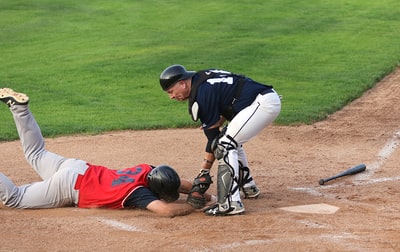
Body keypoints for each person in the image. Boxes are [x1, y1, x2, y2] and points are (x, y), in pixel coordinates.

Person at [0, 88, 214, 217]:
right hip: (68, 187)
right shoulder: (139, 194)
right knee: (16, 198)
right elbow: (166, 211)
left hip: (77, 167)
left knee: (36, 154)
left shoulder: (147, 170)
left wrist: (208, 196)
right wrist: (193, 208)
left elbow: (179, 182)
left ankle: (20, 109)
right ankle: (19, 110)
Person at [159, 65, 281, 216]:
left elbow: (213, 140)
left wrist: (203, 172)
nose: (171, 96)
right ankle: (248, 187)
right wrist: (222, 119)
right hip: (262, 100)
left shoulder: (202, 94)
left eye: (171, 91)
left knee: (224, 145)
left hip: (262, 104)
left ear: (182, 83)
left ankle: (229, 203)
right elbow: (230, 92)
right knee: (230, 140)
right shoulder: (202, 79)